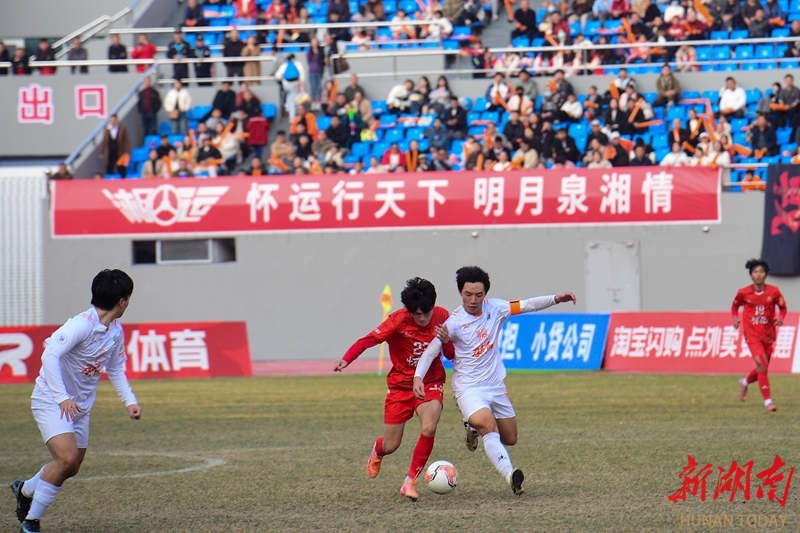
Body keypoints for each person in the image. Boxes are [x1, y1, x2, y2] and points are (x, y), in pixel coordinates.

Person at [413, 266, 577, 496]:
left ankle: (472, 427)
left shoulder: (497, 309)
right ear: (460, 292)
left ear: (485, 294)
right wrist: (418, 377)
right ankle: (511, 475)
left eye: (478, 295)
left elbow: (528, 305)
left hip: (496, 387)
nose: (473, 300)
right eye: (468, 294)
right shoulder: (453, 323)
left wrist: (556, 299)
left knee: (510, 438)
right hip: (468, 389)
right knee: (489, 427)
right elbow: (431, 352)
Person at [10, 270, 142, 533]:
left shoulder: (115, 331)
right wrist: (62, 398)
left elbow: (116, 368)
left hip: (80, 407)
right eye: (129, 297)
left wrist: (130, 401)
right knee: (67, 458)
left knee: (72, 466)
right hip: (52, 401)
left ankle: (24, 489)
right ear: (122, 301)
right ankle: (31, 521)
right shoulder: (81, 325)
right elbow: (49, 356)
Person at [334, 278, 453, 501]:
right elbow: (368, 340)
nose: (422, 318)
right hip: (400, 387)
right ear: (409, 311)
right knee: (391, 445)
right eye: (416, 314)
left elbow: (451, 355)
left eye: (426, 312)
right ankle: (378, 451)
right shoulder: (397, 321)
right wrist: (347, 359)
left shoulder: (442, 316)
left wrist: (446, 341)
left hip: (430, 382)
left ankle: (409, 482)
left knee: (429, 426)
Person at [733, 259, 787, 412]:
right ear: (751, 275)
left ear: (766, 274)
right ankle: (768, 401)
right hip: (752, 335)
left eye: (761, 272)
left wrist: (781, 318)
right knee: (762, 365)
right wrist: (735, 318)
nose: (758, 275)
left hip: (768, 334)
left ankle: (745, 382)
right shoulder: (743, 292)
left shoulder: (774, 291)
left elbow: (783, 308)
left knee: (761, 367)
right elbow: (735, 306)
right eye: (755, 272)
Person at [275, 54, 305, 120]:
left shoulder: (284, 65)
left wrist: (283, 80)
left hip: (286, 85)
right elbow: (302, 74)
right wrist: (301, 82)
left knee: (290, 97)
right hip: (295, 84)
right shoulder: (298, 63)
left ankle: (288, 108)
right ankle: (292, 118)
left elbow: (277, 76)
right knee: (293, 101)